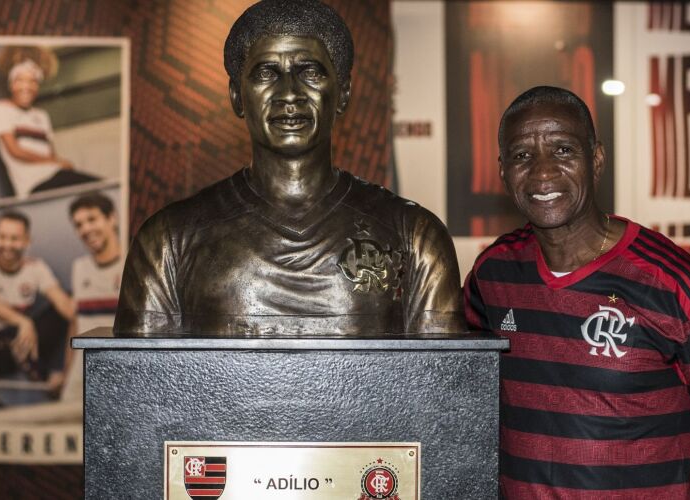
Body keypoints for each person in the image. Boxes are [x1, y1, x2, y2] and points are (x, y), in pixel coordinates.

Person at [464, 86, 690, 498]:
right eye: (522, 156)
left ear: (596, 159)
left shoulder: (675, 283)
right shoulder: (492, 274)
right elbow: (467, 402)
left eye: (564, 150)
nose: (543, 172)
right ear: (502, 170)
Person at [114, 0, 464, 337]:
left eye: (310, 72)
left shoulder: (415, 236)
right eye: (267, 73)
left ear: (342, 94)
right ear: (237, 96)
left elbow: (437, 386)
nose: (289, 94)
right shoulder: (167, 242)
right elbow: (142, 388)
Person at [0, 211, 74, 391]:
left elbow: (63, 304)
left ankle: (60, 375)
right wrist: (24, 322)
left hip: (20, 340)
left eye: (14, 238)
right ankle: (46, 379)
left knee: (65, 304)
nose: (7, 244)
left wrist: (76, 314)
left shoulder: (36, 267)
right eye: (2, 237)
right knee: (15, 333)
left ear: (26, 241)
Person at [0, 46, 98, 198]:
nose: (25, 86)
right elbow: (14, 151)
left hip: (57, 175)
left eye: (32, 81)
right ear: (11, 84)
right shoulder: (1, 109)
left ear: (38, 86)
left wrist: (58, 163)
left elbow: (50, 151)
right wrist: (56, 161)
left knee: (99, 185)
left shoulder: (42, 116)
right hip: (35, 184)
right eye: (19, 80)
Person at [60, 192, 124, 402]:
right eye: (79, 224)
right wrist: (66, 374)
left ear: (111, 218)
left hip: (120, 376)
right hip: (80, 378)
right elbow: (75, 324)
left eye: (92, 219)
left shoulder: (135, 263)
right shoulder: (79, 268)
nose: (86, 229)